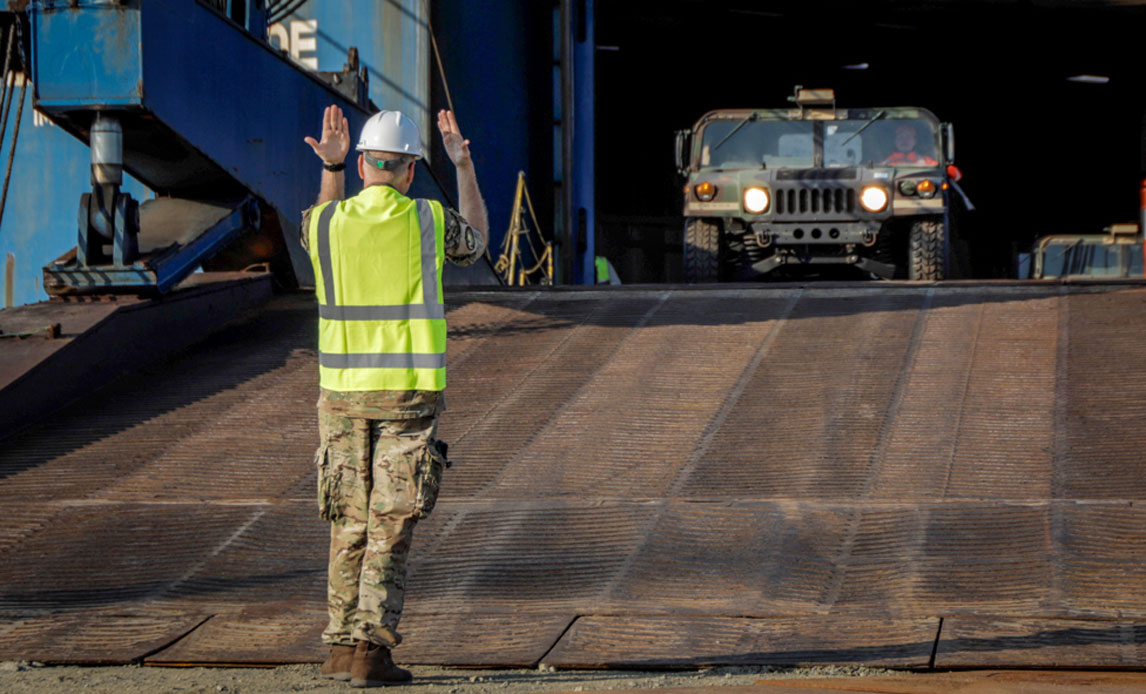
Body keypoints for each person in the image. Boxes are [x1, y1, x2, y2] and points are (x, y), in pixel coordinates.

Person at [301, 104, 487, 688]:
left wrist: (329, 167)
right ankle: (371, 652)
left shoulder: (323, 225)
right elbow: (478, 241)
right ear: (409, 171)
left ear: (361, 164)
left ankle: (337, 645)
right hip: (407, 395)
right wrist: (464, 165)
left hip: (341, 396)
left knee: (347, 518)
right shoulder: (428, 221)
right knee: (390, 521)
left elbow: (326, 210)